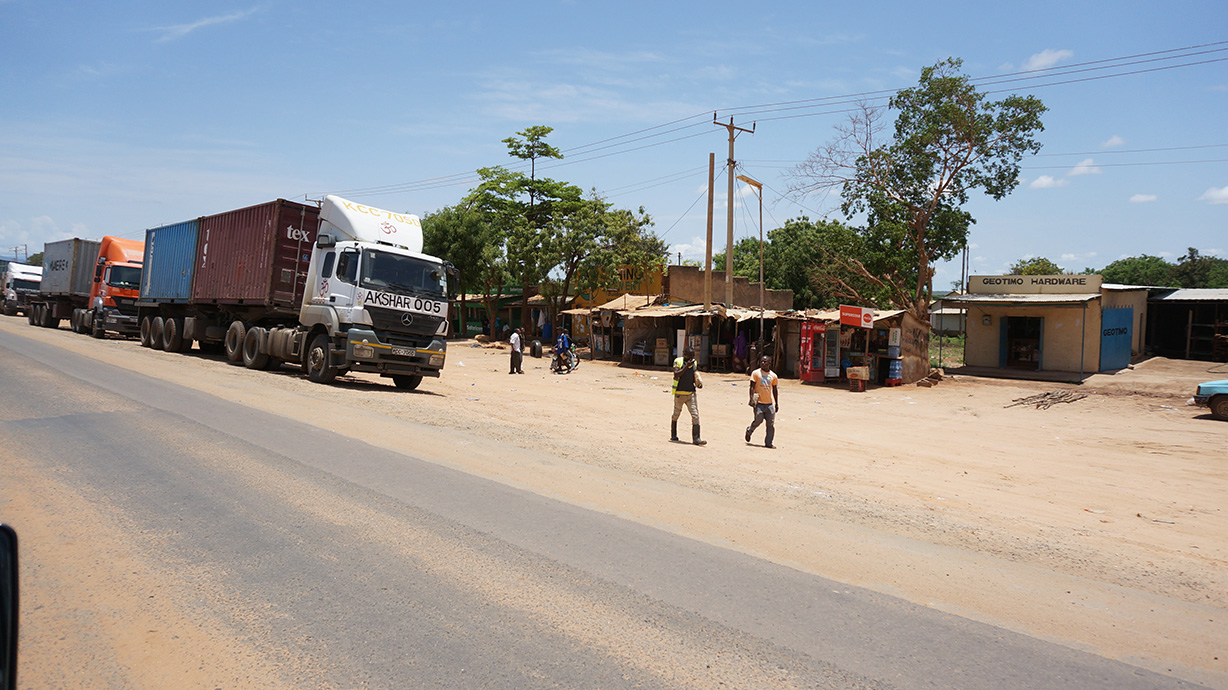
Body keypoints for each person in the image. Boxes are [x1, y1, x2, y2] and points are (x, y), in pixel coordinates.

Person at [670, 347, 706, 445]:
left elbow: (693, 375)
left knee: (695, 415)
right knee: (676, 415)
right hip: (679, 393)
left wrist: (698, 383)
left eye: (693, 356)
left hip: (691, 394)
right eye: (689, 355)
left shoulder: (694, 363)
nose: (691, 358)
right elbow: (676, 374)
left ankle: (696, 438)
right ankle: (673, 435)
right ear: (684, 354)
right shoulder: (678, 361)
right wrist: (686, 366)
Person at [745, 355, 779, 448]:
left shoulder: (773, 376)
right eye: (761, 361)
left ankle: (769, 443)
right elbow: (752, 387)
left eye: (765, 362)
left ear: (769, 363)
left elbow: (775, 390)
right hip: (759, 403)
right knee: (758, 420)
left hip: (769, 404)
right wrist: (751, 399)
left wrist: (776, 403)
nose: (763, 363)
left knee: (770, 424)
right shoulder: (756, 373)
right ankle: (749, 430)